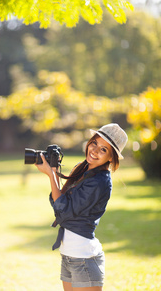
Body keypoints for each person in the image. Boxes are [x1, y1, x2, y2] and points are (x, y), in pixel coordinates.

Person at [35, 123, 128, 291]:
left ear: (111, 158)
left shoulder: (99, 181)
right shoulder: (84, 169)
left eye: (103, 150)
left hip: (84, 258)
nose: (95, 150)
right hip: (70, 255)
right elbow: (60, 204)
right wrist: (54, 171)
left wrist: (51, 174)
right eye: (94, 143)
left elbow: (63, 208)